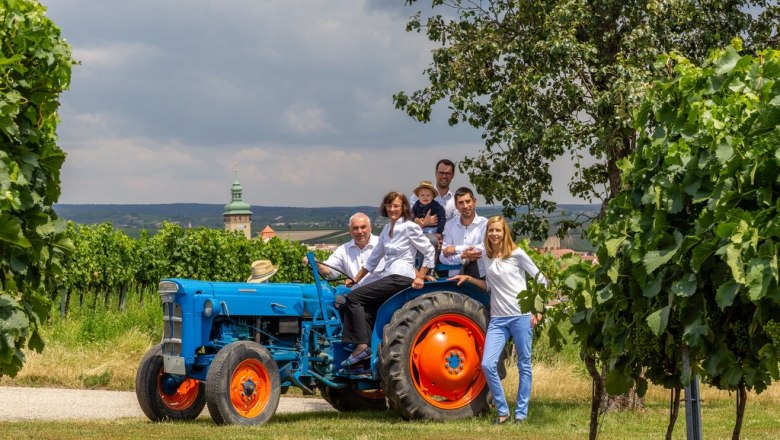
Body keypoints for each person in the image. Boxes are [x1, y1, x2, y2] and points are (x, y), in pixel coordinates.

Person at [450, 215, 547, 424]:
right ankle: (503, 412)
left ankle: (521, 414)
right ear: (487, 233)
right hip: (498, 319)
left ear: (505, 233)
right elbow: (489, 286)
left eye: (498, 230)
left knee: (524, 365)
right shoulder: (486, 256)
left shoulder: (516, 254)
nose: (494, 234)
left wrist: (538, 310)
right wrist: (469, 278)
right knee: (487, 364)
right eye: (491, 230)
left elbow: (541, 279)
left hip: (520, 316)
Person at [340, 191, 435, 371]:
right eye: (389, 205)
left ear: (404, 207)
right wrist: (356, 279)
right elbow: (374, 258)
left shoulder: (409, 226)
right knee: (366, 310)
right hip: (389, 275)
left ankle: (361, 346)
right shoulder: (386, 229)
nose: (392, 209)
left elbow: (429, 250)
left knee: (354, 298)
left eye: (396, 205)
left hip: (401, 276)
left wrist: (420, 276)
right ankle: (365, 359)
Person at [311, 212, 385, 287]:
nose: (359, 232)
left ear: (370, 227)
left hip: (381, 293)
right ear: (350, 230)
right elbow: (328, 270)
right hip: (355, 293)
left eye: (363, 227)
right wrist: (315, 262)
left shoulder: (382, 244)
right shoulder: (343, 250)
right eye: (355, 228)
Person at [439, 187, 487, 278]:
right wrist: (461, 257)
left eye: (468, 201)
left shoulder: (484, 223)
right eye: (461, 203)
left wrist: (456, 249)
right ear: (456, 206)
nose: (465, 206)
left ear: (474, 202)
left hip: (479, 277)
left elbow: (485, 248)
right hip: (455, 278)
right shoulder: (449, 226)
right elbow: (443, 256)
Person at [411, 159, 458, 229]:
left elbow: (457, 224)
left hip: (446, 236)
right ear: (436, 174)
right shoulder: (417, 196)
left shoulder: (456, 200)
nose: (444, 176)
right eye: (441, 173)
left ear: (453, 175)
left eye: (448, 173)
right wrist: (422, 222)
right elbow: (408, 218)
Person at [411, 180, 446, 259]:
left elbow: (442, 218)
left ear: (432, 196)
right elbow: (411, 214)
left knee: (432, 241)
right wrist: (416, 219)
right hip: (420, 229)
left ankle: (433, 261)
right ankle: (418, 262)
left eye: (428, 195)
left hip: (433, 230)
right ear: (418, 196)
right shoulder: (416, 204)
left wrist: (439, 232)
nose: (425, 197)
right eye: (422, 195)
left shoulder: (436, 206)